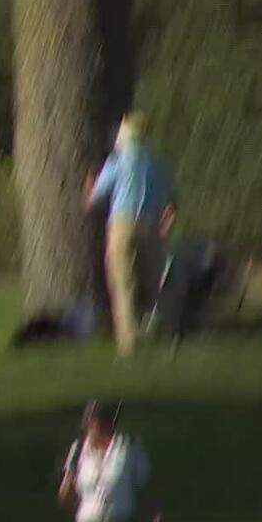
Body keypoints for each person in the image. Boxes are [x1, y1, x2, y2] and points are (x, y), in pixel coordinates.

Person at [85, 114, 178, 357]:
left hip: (122, 224)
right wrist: (165, 223)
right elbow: (171, 202)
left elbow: (94, 199)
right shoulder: (156, 164)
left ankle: (128, 342)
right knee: (154, 281)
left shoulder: (117, 162)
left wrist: (89, 181)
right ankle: (167, 331)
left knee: (123, 283)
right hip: (150, 224)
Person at [58, 401, 160, 522]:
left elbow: (142, 487)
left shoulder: (128, 448)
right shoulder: (78, 450)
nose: (91, 427)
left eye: (95, 421)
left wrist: (151, 517)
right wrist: (86, 509)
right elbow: (66, 493)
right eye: (88, 422)